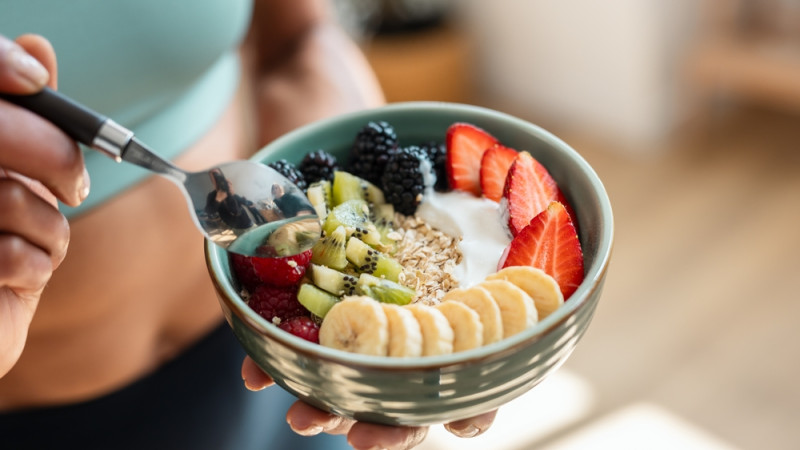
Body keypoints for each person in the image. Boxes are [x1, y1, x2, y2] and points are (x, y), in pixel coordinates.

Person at [0, 1, 497, 449]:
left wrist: (333, 170)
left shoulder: (321, 316)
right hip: (55, 422)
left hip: (281, 352)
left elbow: (300, 37)